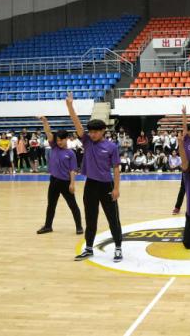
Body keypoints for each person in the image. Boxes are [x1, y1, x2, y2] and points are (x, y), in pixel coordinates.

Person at [66, 93, 123, 263]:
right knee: (90, 218)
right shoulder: (88, 142)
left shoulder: (111, 147)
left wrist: (116, 188)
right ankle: (89, 248)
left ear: (103, 131)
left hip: (107, 186)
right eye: (90, 132)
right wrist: (70, 106)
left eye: (95, 132)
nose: (92, 135)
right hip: (90, 185)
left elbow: (116, 168)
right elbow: (77, 124)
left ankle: (118, 248)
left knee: (113, 219)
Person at [36, 116, 83, 235]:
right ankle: (48, 226)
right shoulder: (54, 147)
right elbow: (48, 133)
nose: (59, 142)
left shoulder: (71, 153)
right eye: (57, 140)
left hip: (65, 183)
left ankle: (79, 227)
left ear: (67, 139)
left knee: (72, 205)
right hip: (54, 181)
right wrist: (45, 121)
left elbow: (72, 170)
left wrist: (72, 184)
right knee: (51, 205)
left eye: (61, 140)